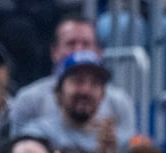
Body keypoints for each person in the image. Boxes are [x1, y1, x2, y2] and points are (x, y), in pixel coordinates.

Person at [8, 17, 138, 139]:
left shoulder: (120, 102)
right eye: (71, 44)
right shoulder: (29, 99)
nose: (79, 50)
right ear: (54, 52)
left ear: (99, 52)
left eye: (86, 44)